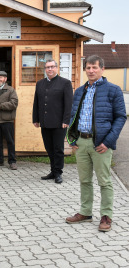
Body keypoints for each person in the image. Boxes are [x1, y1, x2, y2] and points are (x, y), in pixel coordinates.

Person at [65, 55, 126, 232]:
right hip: (81, 143)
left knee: (104, 181)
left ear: (102, 69)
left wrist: (108, 141)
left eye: (94, 67)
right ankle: (85, 212)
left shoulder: (113, 90)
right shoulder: (79, 91)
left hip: (101, 144)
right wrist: (72, 138)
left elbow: (121, 117)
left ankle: (106, 216)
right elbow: (73, 116)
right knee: (84, 180)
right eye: (88, 68)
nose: (91, 71)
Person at [32, 59, 73, 184]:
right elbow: (36, 102)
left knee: (58, 149)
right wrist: (36, 119)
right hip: (45, 122)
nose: (50, 69)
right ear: (45, 69)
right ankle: (52, 171)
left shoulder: (65, 83)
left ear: (57, 68)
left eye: (52, 67)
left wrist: (66, 120)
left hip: (59, 122)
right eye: (47, 67)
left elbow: (68, 104)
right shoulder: (40, 83)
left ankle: (58, 172)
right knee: (49, 148)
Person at [0, 71, 18, 170]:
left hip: (7, 120)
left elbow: (14, 103)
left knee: (10, 142)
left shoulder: (10, 90)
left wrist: (0, 106)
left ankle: (12, 161)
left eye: (1, 77)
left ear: (5, 79)